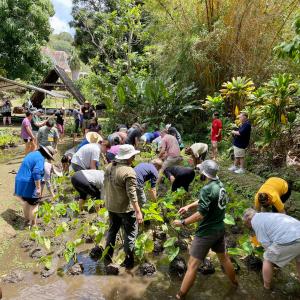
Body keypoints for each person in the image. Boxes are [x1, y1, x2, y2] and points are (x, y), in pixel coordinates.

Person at [173, 160, 238, 299]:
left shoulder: (206, 189)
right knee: (224, 259)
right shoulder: (220, 185)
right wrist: (189, 206)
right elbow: (207, 200)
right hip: (219, 229)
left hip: (206, 232)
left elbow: (200, 214)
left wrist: (182, 222)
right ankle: (235, 284)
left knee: (192, 265)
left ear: (204, 173)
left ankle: (179, 296)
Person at [104, 144, 143, 269]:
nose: (134, 158)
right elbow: (132, 194)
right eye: (133, 156)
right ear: (129, 157)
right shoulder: (129, 171)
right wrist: (138, 211)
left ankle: (107, 256)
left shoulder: (109, 167)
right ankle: (129, 262)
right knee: (130, 234)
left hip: (111, 206)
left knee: (112, 231)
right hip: (125, 209)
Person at [243, 209, 300, 290]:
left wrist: (273, 260)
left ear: (248, 219)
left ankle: (266, 287)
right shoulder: (265, 215)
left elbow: (266, 245)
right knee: (299, 260)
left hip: (289, 238)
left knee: (267, 259)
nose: (249, 226)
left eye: (246, 224)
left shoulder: (255, 222)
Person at [15, 146, 55, 227]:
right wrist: (38, 188)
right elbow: (36, 172)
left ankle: (26, 221)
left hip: (20, 180)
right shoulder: (40, 158)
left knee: (26, 202)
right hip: (29, 182)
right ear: (47, 155)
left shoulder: (32, 154)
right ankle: (33, 225)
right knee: (34, 204)